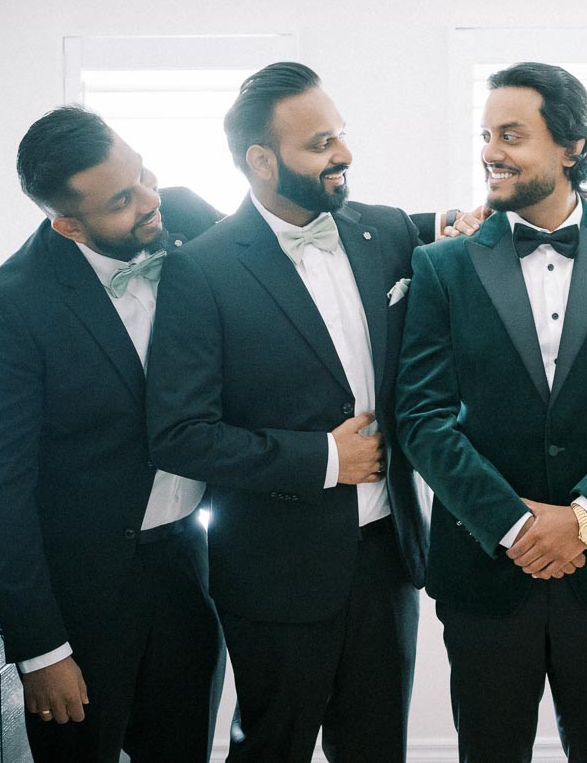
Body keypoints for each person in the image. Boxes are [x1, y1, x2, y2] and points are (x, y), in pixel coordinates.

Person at [395, 62, 587, 763]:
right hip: (483, 569)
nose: (490, 151)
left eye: (511, 134)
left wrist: (586, 519)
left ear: (570, 146)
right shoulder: (442, 266)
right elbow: (423, 417)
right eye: (485, 134)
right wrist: (515, 524)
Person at [144, 62, 428, 763]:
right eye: (321, 143)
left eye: (341, 135)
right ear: (261, 161)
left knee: (377, 749)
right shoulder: (200, 270)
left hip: (387, 556)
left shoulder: (388, 233)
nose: (344, 155)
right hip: (274, 569)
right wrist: (326, 460)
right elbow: (179, 435)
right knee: (274, 747)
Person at [0, 106, 223, 763]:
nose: (151, 202)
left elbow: (285, 246)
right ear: (67, 222)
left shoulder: (186, 215)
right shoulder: (12, 307)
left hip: (189, 565)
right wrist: (41, 650)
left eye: (142, 174)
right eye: (122, 200)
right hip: (82, 594)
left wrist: (437, 227)